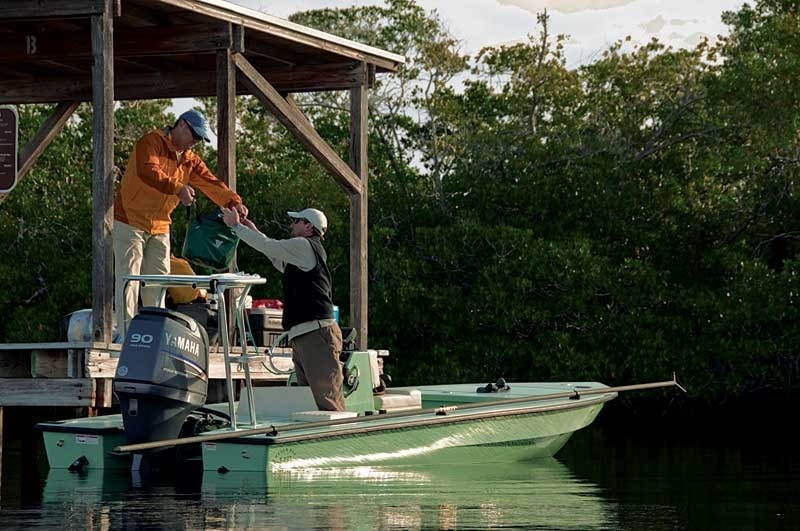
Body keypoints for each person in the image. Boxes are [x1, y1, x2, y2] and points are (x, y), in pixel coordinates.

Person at [113, 109, 248, 333]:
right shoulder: (150, 142)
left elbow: (210, 183)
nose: (196, 142)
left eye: (199, 139)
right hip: (129, 220)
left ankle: (151, 333)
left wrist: (233, 202)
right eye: (195, 136)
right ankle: (125, 335)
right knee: (129, 279)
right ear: (182, 125)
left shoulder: (189, 160)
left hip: (160, 225)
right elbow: (148, 170)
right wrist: (178, 188)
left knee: (158, 282)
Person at [220, 206, 345, 411]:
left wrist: (235, 226)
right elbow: (275, 255)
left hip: (316, 334)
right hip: (307, 335)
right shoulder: (302, 252)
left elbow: (270, 247)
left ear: (308, 226)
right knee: (311, 405)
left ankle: (338, 441)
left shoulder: (304, 245)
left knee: (327, 403)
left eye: (296, 221)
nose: (291, 225)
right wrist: (250, 228)